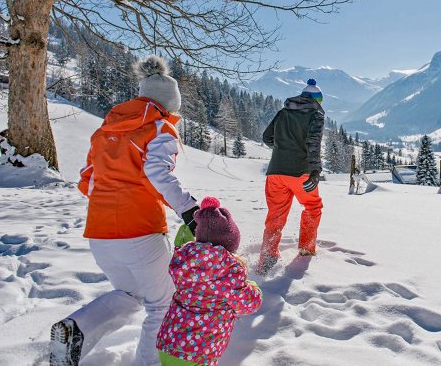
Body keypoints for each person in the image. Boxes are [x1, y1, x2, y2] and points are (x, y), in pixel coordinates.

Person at [50, 56, 199, 366]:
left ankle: (77, 329)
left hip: (100, 232)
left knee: (130, 295)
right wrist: (189, 209)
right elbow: (158, 172)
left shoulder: (105, 130)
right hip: (140, 230)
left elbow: (87, 179)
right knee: (163, 304)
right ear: (167, 104)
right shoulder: (159, 126)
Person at [157, 197, 262, 366]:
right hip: (198, 353)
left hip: (168, 344)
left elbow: (182, 245)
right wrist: (253, 287)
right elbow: (250, 304)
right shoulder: (229, 273)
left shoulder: (185, 261)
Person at [256, 79, 325, 275]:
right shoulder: (316, 115)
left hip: (275, 172)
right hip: (301, 172)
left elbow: (267, 137)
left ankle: (267, 257)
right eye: (320, 99)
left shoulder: (282, 112)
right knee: (312, 207)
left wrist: (282, 151)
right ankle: (305, 249)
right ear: (315, 99)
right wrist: (315, 171)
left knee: (275, 215)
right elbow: (313, 142)